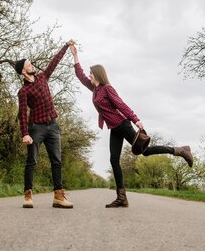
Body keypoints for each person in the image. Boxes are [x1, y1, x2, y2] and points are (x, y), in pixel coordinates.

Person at [70, 44, 193, 208]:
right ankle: (122, 198)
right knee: (114, 160)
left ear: (98, 74)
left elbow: (121, 105)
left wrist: (135, 119)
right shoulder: (95, 89)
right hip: (114, 128)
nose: (89, 75)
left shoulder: (107, 89)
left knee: (146, 152)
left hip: (122, 124)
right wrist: (75, 55)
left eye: (91, 73)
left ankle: (180, 150)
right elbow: (80, 75)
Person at [15, 41, 74, 209]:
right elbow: (22, 114)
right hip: (36, 128)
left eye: (31, 64)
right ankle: (28, 195)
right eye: (29, 65)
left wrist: (65, 47)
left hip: (53, 126)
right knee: (31, 161)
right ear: (23, 71)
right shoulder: (24, 91)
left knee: (56, 161)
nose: (32, 65)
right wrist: (25, 133)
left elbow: (53, 63)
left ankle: (58, 197)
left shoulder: (42, 77)